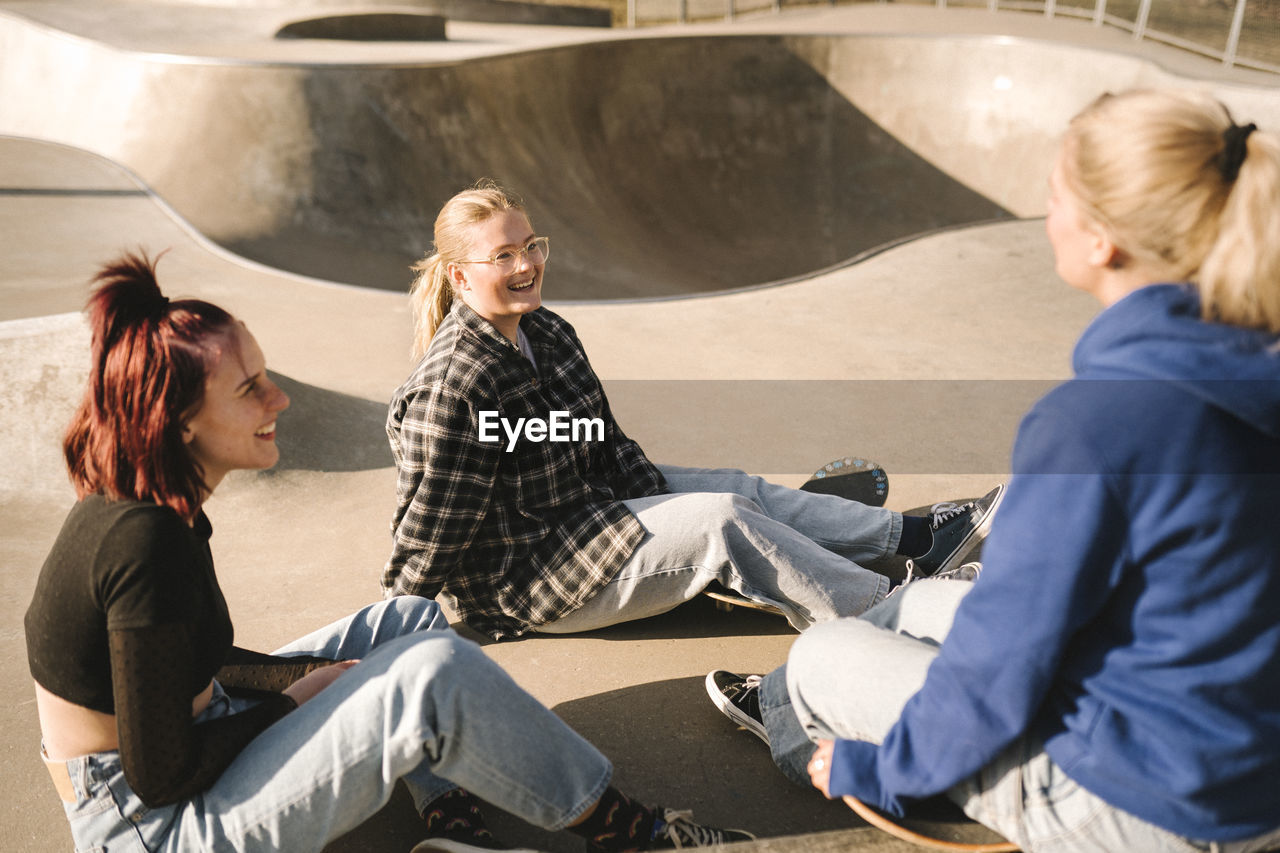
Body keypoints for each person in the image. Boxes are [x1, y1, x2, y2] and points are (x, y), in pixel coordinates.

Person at [705, 88, 1280, 852]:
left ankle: (800, 726)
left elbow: (998, 677)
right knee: (924, 603)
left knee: (820, 659)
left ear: (1103, 239)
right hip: (1242, 761)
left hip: (1146, 803)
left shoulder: (1098, 425)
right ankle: (778, 698)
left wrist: (879, 770)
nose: (1048, 219)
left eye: (1052, 199)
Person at [24, 252, 753, 853]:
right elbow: (161, 775)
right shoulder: (142, 542)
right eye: (249, 389)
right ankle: (630, 832)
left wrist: (306, 677)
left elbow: (187, 664)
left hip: (194, 732)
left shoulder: (160, 507)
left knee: (405, 620)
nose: (278, 400)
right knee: (431, 674)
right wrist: (288, 700)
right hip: (153, 829)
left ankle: (448, 819)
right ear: (179, 423)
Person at [382, 180, 1003, 641]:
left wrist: (658, 499)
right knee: (721, 521)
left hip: (592, 507)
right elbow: (434, 523)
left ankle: (919, 537)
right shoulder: (454, 386)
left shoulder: (546, 331)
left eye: (531, 245)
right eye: (503, 256)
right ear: (460, 279)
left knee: (735, 489)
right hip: (536, 578)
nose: (527, 265)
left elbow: (602, 439)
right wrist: (392, 620)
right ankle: (895, 608)